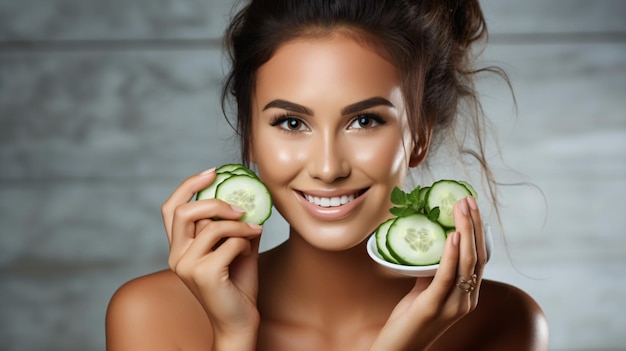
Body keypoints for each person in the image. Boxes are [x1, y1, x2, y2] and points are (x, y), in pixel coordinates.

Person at [106, 0, 549, 350]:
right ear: (251, 137)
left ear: (418, 137)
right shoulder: (151, 316)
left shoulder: (504, 322)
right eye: (292, 123)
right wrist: (234, 335)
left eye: (365, 121)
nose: (327, 167)